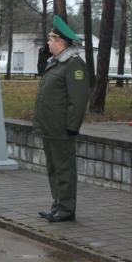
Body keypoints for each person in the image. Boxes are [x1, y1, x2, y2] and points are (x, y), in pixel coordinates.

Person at [34, 16, 89, 222]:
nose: (47, 43)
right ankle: (58, 205)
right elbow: (41, 72)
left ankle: (66, 208)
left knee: (64, 169)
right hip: (49, 127)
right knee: (54, 169)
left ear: (60, 42)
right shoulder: (56, 62)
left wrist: (72, 126)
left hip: (61, 128)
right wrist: (44, 53)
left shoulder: (73, 65)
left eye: (50, 40)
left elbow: (79, 99)